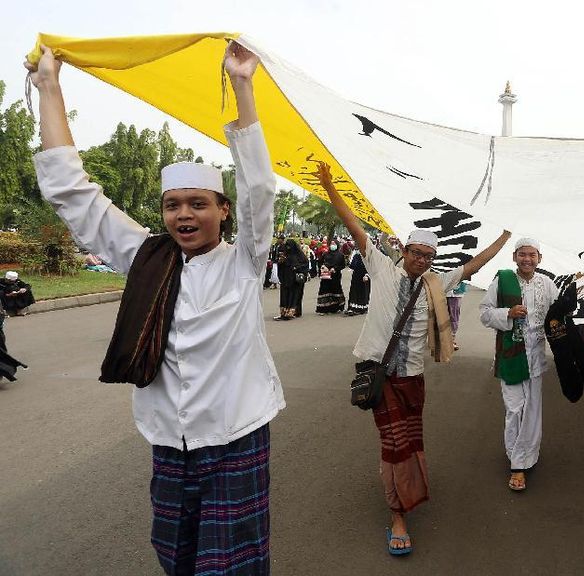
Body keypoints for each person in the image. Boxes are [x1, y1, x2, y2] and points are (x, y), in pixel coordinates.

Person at [28, 42, 285, 574]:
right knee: (177, 559)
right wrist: (50, 87)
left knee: (232, 566)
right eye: (173, 205)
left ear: (222, 211)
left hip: (235, 439)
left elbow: (259, 188)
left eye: (198, 204)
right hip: (170, 444)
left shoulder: (245, 261)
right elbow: (74, 195)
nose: (184, 215)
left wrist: (242, 86)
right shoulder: (146, 258)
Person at [315, 161, 510, 556]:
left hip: (412, 378)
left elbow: (475, 264)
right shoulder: (381, 268)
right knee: (393, 443)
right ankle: (398, 514)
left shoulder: (438, 282)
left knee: (411, 440)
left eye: (427, 255)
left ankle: (407, 491)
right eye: (415, 252)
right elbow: (353, 224)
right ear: (403, 250)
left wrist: (505, 235)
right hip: (378, 372)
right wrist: (329, 187)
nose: (420, 259)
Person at [480, 238, 560, 491]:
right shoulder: (502, 280)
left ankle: (523, 459)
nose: (527, 259)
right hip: (510, 354)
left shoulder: (547, 284)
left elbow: (560, 313)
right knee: (514, 408)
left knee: (532, 410)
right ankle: (517, 463)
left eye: (532, 255)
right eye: (522, 254)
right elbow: (484, 313)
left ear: (540, 258)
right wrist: (507, 314)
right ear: (515, 257)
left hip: (535, 356)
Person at [275, 239, 307, 320]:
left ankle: (293, 311)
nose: (288, 248)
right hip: (285, 280)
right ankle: (284, 312)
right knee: (285, 295)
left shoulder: (300, 256)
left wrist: (296, 267)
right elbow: (281, 266)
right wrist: (281, 262)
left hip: (295, 281)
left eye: (289, 246)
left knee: (295, 295)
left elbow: (304, 265)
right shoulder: (285, 255)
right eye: (287, 246)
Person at [315, 241, 347, 314]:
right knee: (325, 290)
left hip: (335, 276)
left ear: (337, 245)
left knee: (336, 290)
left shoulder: (340, 255)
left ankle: (337, 307)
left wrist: (335, 268)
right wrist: (323, 267)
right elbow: (320, 262)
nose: (332, 245)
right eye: (331, 244)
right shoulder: (325, 254)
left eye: (334, 244)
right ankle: (323, 309)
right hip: (326, 276)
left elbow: (343, 265)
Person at [346, 248, 370, 315]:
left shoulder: (369, 256)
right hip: (356, 276)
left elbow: (372, 267)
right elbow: (352, 266)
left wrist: (367, 275)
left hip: (365, 277)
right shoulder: (356, 255)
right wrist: (351, 259)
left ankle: (361, 308)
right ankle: (352, 308)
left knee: (362, 292)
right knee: (354, 291)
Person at [446, 280, 467, 350]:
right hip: (441, 290)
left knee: (453, 317)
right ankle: (438, 339)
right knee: (438, 316)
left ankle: (451, 339)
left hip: (456, 292)